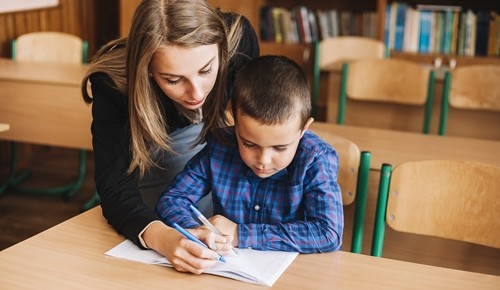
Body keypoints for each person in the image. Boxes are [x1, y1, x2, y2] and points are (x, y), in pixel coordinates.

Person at [81, 0, 259, 274]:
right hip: (156, 189)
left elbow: (256, 124)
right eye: (174, 80)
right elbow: (115, 187)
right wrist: (164, 238)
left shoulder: (239, 41)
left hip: (220, 181)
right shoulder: (115, 84)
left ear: (222, 51)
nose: (197, 93)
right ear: (147, 69)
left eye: (206, 70)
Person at [156, 55, 344, 253]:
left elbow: (328, 233)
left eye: (280, 148)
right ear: (234, 118)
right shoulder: (221, 146)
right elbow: (171, 200)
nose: (263, 160)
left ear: (304, 128)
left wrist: (240, 234)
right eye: (249, 144)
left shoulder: (316, 159)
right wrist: (198, 231)